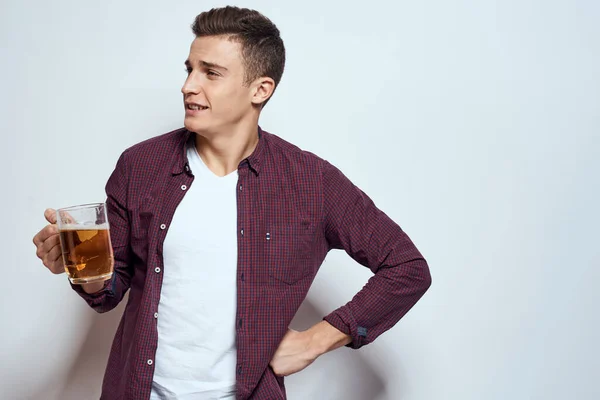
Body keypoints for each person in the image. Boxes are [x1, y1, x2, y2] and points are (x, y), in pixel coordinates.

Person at [32, 6, 431, 400]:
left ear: (260, 89)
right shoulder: (141, 166)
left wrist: (316, 341)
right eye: (189, 69)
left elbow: (407, 267)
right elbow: (108, 288)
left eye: (211, 73)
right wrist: (80, 266)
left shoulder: (311, 183)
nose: (189, 85)